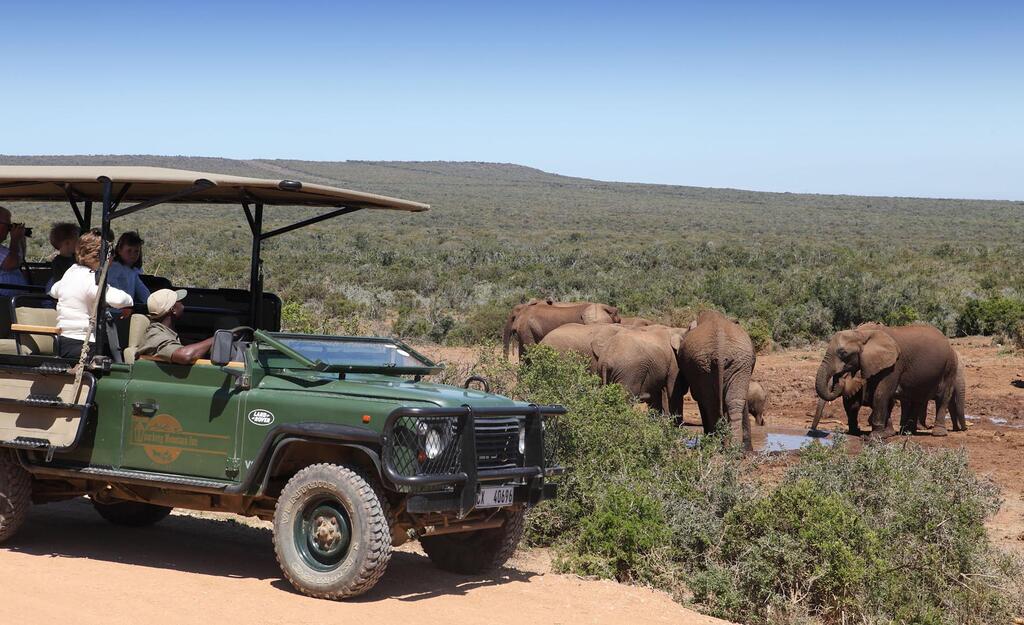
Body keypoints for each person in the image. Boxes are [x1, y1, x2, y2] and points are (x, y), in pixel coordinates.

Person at [48, 230, 134, 360]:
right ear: (103, 256)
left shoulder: (71, 272)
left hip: (62, 342)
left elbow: (54, 291)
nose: (113, 258)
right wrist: (129, 303)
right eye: (112, 254)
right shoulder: (91, 279)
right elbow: (120, 299)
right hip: (84, 345)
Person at [137, 289, 214, 365]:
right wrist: (214, 339)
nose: (183, 305)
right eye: (179, 302)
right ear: (173, 309)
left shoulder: (166, 331)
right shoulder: (155, 334)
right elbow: (185, 356)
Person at [107, 231, 150, 303]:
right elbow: (112, 293)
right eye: (129, 251)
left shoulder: (133, 271)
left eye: (136, 251)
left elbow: (143, 292)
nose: (133, 255)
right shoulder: (114, 268)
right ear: (119, 250)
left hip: (125, 308)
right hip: (114, 310)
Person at [0, 205, 29, 296]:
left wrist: (21, 240)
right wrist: (15, 240)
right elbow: (11, 264)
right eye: (8, 226)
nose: (9, 230)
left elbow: (19, 259)